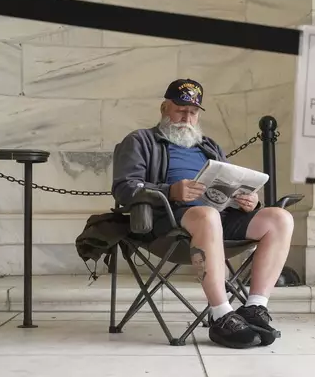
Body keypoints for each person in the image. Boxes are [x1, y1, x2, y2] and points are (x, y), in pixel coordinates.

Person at [111, 78, 295, 349]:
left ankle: (254, 308)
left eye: (193, 112)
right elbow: (124, 188)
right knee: (207, 215)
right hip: (169, 224)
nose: (187, 118)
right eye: (180, 110)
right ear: (164, 108)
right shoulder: (140, 141)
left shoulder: (208, 146)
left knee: (280, 217)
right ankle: (221, 314)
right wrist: (171, 191)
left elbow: (229, 182)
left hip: (218, 217)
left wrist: (247, 200)